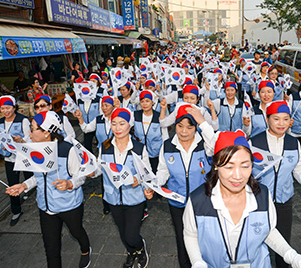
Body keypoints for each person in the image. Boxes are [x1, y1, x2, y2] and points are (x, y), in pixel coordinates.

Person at [183, 130, 301, 268]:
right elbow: (190, 234)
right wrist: (197, 262)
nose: (238, 176)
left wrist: (292, 256)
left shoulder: (262, 195)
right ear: (216, 165)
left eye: (245, 166)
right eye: (229, 167)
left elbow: (268, 231)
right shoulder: (197, 200)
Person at [5, 111, 91, 268]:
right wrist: (23, 186)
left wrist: (69, 184)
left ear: (46, 132)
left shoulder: (67, 150)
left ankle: (86, 250)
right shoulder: (33, 149)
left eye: (32, 129)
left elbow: (81, 176)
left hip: (69, 205)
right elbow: (38, 177)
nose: (29, 134)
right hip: (45, 207)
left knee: (76, 232)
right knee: (51, 250)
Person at [250, 101, 301, 268]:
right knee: (256, 242)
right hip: (258, 202)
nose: (281, 123)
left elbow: (298, 169)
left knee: (283, 244)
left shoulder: (293, 143)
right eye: (276, 119)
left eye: (285, 119)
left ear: (290, 121)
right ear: (267, 119)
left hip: (284, 201)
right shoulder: (254, 142)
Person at [151, 105, 214, 268]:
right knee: (182, 238)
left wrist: (203, 123)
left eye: (189, 127)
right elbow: (162, 171)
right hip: (177, 203)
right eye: (180, 126)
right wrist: (154, 185)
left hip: (202, 203)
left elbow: (215, 145)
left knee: (203, 239)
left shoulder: (204, 145)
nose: (184, 131)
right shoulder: (167, 145)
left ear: (196, 127)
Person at [95, 108, 150, 268]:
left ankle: (140, 248)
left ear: (129, 125)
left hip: (134, 198)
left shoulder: (138, 148)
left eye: (122, 123)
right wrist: (91, 171)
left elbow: (147, 174)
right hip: (113, 198)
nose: (117, 128)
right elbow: (99, 168)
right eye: (114, 124)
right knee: (122, 233)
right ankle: (131, 253)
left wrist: (137, 179)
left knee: (131, 235)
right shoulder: (105, 147)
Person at [0, 95, 31, 226]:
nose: (6, 111)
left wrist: (22, 140)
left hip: (23, 156)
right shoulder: (0, 122)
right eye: (2, 108)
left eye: (8, 108)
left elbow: (31, 138)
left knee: (29, 176)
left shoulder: (23, 120)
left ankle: (27, 190)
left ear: (14, 107)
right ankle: (16, 210)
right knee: (12, 183)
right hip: (9, 158)